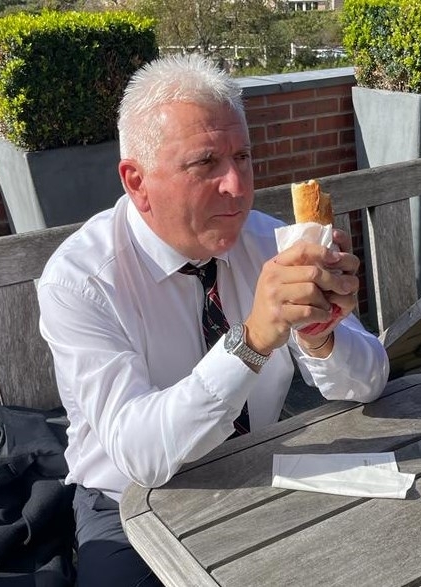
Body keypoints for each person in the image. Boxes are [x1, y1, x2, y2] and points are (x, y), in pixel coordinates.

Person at [37, 53, 389, 587]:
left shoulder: (269, 241)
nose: (237, 186)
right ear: (137, 182)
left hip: (258, 467)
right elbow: (139, 456)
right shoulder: (80, 281)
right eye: (206, 163)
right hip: (130, 504)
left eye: (243, 157)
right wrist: (251, 341)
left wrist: (322, 336)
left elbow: (370, 383)